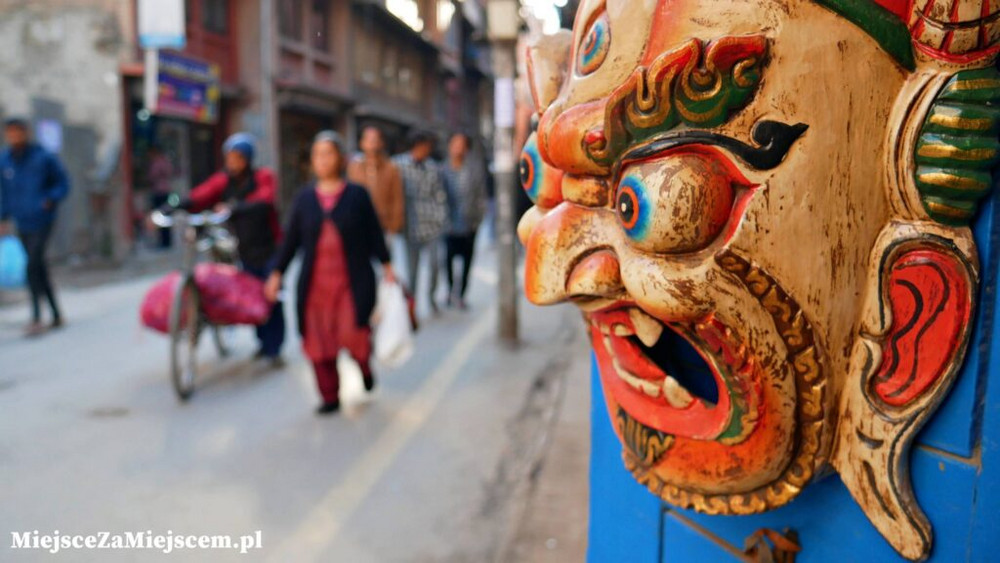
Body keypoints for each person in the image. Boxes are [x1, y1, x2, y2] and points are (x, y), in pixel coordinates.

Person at [265, 131, 396, 415]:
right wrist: (277, 273)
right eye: (317, 155)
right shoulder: (304, 200)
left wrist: (387, 267)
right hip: (315, 288)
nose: (322, 160)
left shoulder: (357, 196)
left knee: (354, 334)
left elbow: (374, 234)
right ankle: (329, 396)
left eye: (328, 153)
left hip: (351, 282)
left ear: (341, 159)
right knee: (318, 342)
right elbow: (290, 242)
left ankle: (364, 367)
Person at [173, 132, 285, 364]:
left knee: (272, 295)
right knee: (254, 295)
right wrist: (172, 207)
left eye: (237, 158)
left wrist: (233, 207)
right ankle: (263, 344)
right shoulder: (224, 180)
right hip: (244, 248)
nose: (232, 162)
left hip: (270, 247)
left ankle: (274, 348)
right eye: (229, 157)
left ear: (247, 159)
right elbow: (200, 195)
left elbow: (264, 201)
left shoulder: (263, 177)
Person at [0, 117, 70, 337]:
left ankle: (36, 317)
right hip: (22, 221)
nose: (14, 137)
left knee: (32, 265)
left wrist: (50, 199)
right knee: (38, 267)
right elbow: (3, 192)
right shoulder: (5, 161)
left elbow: (63, 183)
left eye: (17, 132)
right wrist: (3, 218)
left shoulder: (43, 158)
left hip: (43, 220)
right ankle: (56, 314)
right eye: (10, 133)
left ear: (26, 132)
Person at [393, 131, 448, 314]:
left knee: (435, 265)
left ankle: (431, 298)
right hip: (411, 226)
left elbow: (440, 195)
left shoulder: (433, 167)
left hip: (432, 224)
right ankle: (412, 305)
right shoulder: (398, 165)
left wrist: (441, 218)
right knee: (412, 271)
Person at [442, 133, 486, 310]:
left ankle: (461, 295)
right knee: (447, 261)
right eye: (455, 144)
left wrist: (478, 220)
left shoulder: (474, 169)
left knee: (467, 262)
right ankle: (450, 290)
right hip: (448, 224)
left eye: (461, 144)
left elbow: (480, 196)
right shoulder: (443, 169)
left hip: (469, 224)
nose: (457, 148)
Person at [347, 126, 404, 235]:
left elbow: (397, 199)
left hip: (384, 226)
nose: (372, 143)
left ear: (382, 143)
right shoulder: (354, 168)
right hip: (359, 224)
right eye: (368, 139)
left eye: (375, 139)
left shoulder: (391, 169)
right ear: (361, 143)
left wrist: (395, 226)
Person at [147, 145, 175, 249]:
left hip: (160, 193)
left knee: (161, 218)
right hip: (166, 191)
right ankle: (166, 241)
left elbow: (151, 176)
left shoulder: (157, 163)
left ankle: (164, 242)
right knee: (166, 217)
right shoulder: (165, 162)